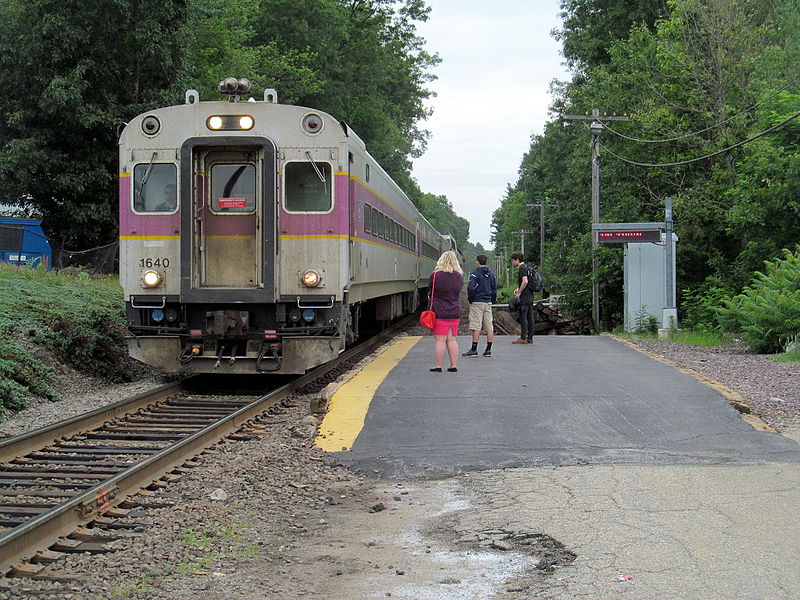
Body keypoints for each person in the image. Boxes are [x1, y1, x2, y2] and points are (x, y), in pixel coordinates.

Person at [427, 250, 464, 372]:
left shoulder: (435, 275)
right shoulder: (459, 276)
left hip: (439, 311)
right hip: (454, 311)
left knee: (440, 340)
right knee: (452, 339)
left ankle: (438, 366)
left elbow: (430, 292)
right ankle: (453, 366)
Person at [463, 254, 497, 357]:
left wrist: (471, 299)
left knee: (476, 325)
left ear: (478, 262)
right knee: (489, 326)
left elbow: (471, 288)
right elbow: (494, 289)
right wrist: (492, 300)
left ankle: (474, 349)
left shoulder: (475, 274)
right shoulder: (491, 274)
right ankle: (488, 350)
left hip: (477, 302)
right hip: (488, 302)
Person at [511, 252, 535, 344]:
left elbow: (525, 281)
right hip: (530, 295)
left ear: (517, 260)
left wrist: (519, 293)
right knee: (530, 316)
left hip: (525, 296)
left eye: (513, 261)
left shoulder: (521, 268)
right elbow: (527, 283)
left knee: (523, 316)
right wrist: (518, 288)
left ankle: (523, 337)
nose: (513, 263)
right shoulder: (528, 267)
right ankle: (530, 337)